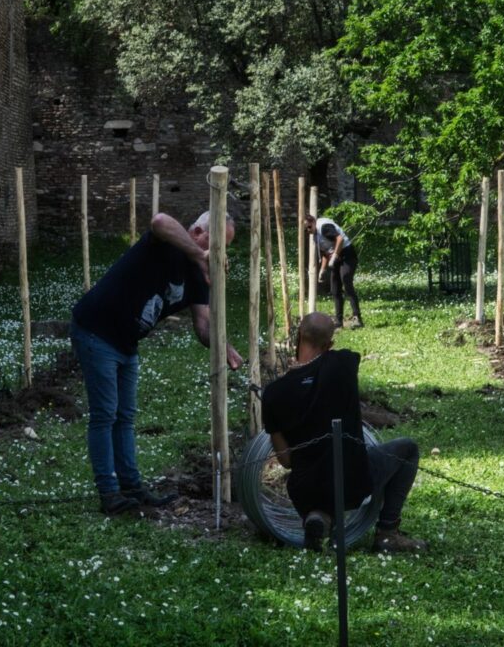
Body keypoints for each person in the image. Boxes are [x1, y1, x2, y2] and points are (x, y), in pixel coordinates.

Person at [71, 210, 244, 515]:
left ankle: (132, 487)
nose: (218, 254)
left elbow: (203, 327)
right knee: (105, 414)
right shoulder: (169, 243)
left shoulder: (197, 276)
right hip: (96, 329)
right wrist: (200, 255)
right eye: (217, 245)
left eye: (224, 248)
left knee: (125, 416)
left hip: (126, 343)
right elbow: (160, 220)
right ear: (197, 233)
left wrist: (223, 345)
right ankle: (109, 494)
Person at [261, 313, 426, 553]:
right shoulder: (343, 364)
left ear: (298, 336)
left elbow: (285, 460)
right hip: (352, 481)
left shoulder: (274, 394)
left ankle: (319, 516)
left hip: (303, 488)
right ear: (329, 345)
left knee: (318, 481)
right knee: (408, 449)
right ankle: (387, 532)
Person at [305, 213, 362, 329]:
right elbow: (325, 252)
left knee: (346, 281)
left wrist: (335, 255)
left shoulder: (324, 227)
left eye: (309, 227)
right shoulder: (315, 236)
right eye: (305, 230)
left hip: (347, 255)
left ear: (313, 222)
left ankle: (357, 318)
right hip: (335, 258)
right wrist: (323, 269)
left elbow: (339, 239)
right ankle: (339, 321)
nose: (308, 230)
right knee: (335, 289)